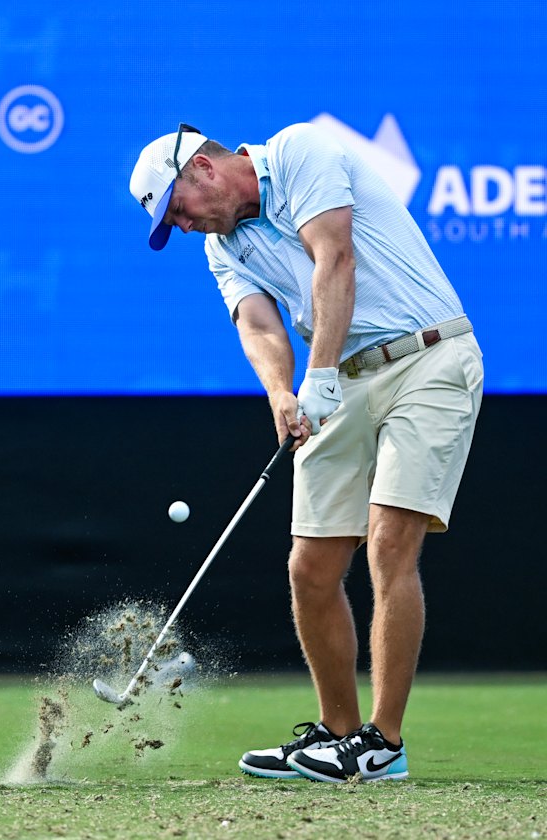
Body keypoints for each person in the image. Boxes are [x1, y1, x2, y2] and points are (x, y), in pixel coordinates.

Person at [129, 121, 483, 783]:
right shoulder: (222, 247)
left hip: (426, 357)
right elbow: (257, 322)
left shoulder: (300, 151)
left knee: (388, 541)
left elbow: (335, 259)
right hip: (339, 382)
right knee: (309, 568)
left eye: (177, 209)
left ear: (201, 168)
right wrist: (280, 393)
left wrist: (315, 376)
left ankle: (385, 744)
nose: (182, 226)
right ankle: (338, 735)